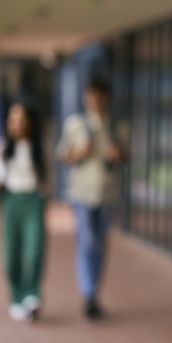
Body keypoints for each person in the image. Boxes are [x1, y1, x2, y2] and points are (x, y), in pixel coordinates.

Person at [55, 80, 125, 319]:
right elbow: (63, 155)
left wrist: (118, 155)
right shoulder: (75, 124)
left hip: (107, 193)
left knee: (100, 243)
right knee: (88, 239)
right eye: (90, 98)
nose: (94, 103)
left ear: (107, 99)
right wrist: (81, 153)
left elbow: (127, 156)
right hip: (81, 193)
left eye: (98, 98)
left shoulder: (117, 126)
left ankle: (93, 292)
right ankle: (88, 294)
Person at [0, 101, 47, 323]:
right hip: (11, 200)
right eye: (12, 120)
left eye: (21, 119)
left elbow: (48, 175)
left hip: (33, 199)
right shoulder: (3, 146)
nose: (16, 124)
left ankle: (32, 295)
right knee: (11, 254)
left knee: (34, 250)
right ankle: (16, 297)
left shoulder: (40, 147)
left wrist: (44, 192)